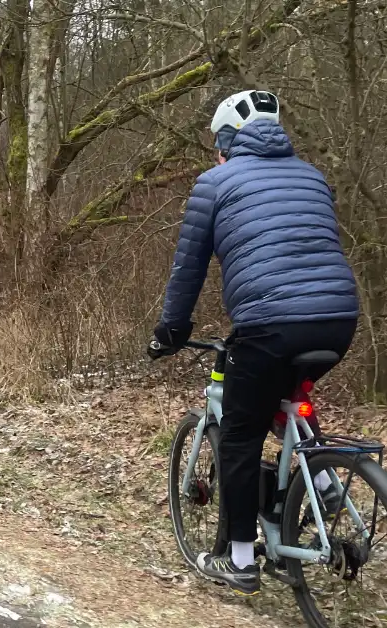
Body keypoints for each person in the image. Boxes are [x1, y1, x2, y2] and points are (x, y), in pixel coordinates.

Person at [148, 90, 359, 595]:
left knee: (240, 433)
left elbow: (189, 269)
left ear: (224, 142)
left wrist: (171, 332)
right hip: (339, 316)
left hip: (270, 324)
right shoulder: (311, 176)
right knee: (284, 397)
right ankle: (324, 484)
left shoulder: (215, 182)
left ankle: (241, 561)